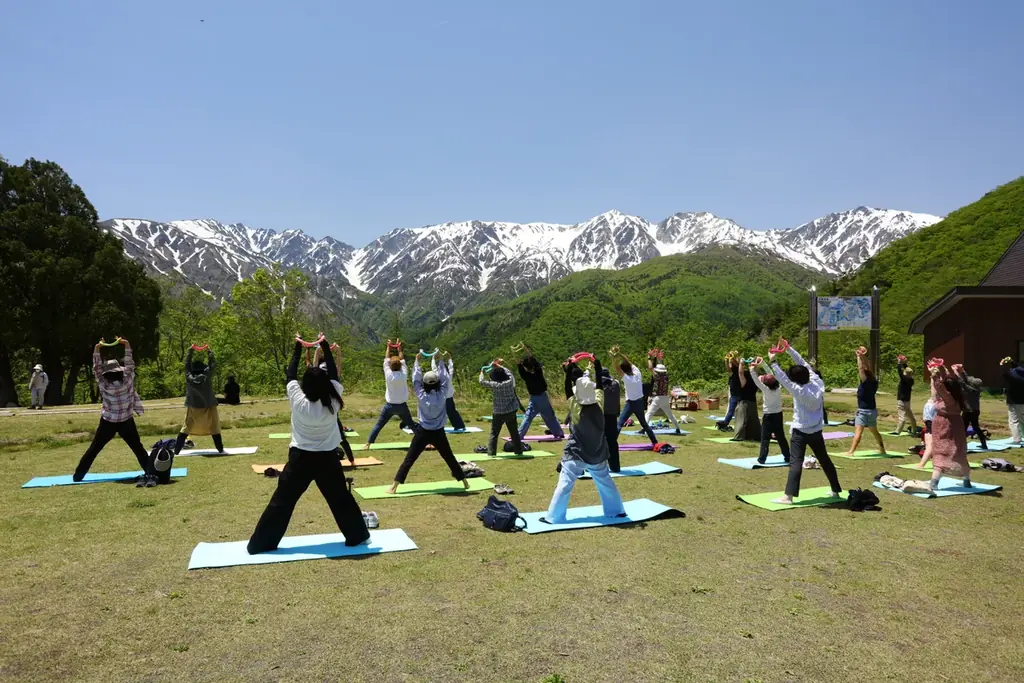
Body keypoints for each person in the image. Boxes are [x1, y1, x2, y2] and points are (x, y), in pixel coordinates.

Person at [247, 336, 369, 554]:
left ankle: (261, 543)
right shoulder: (333, 401)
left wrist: (297, 347)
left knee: (282, 502)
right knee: (340, 499)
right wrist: (324, 346)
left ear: (306, 385)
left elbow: (290, 374)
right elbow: (333, 372)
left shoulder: (298, 400)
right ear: (325, 384)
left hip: (300, 459)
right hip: (327, 459)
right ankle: (357, 535)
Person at [540, 356, 626, 525]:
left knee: (565, 484)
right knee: (605, 482)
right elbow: (600, 386)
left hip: (577, 452)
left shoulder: (575, 406)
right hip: (598, 451)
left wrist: (570, 368)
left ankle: (554, 517)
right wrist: (598, 367)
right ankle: (617, 511)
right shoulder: (599, 404)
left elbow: (567, 389)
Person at [766, 340, 842, 505]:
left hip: (801, 431)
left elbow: (782, 378)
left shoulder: (798, 390)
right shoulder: (817, 382)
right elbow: (803, 364)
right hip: (816, 431)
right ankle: (835, 490)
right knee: (825, 460)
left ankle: (788, 497)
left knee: (796, 463)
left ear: (796, 380)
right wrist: (789, 349)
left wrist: (772, 360)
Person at [73, 338, 154, 484]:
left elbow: (96, 367)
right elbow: (130, 364)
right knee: (138, 448)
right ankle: (151, 472)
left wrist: (97, 348)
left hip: (108, 421)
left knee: (95, 448)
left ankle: (78, 476)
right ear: (119, 371)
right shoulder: (128, 379)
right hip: (126, 421)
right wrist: (127, 345)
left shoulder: (103, 383)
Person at [386, 353, 469, 494]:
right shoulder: (443, 394)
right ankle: (465, 482)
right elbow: (445, 378)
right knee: (449, 457)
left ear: (425, 384)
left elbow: (415, 379)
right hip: (439, 432)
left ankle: (394, 487)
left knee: (409, 459)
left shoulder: (421, 394)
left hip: (422, 432)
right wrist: (441, 360)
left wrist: (417, 362)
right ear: (437, 383)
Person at [925, 361, 971, 493]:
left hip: (945, 427)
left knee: (941, 452)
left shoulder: (949, 398)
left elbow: (939, 386)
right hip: (954, 425)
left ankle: (934, 483)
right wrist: (940, 367)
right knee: (958, 451)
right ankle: (966, 480)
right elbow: (949, 380)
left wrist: (933, 373)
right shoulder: (956, 394)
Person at [174, 346, 224, 454]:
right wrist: (209, 352)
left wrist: (190, 351)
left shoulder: (189, 376)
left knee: (186, 427)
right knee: (214, 427)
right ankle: (220, 449)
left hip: (193, 406)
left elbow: (186, 365)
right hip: (209, 405)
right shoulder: (207, 375)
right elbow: (212, 365)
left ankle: (176, 450)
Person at [365, 340, 414, 448]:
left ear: (390, 366)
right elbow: (401, 359)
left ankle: (368, 443)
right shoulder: (404, 374)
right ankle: (425, 441)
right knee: (411, 425)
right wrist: (399, 348)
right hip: (402, 405)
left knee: (379, 425)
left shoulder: (388, 375)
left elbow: (387, 359)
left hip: (390, 405)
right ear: (400, 366)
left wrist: (388, 346)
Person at [313, 344, 355, 465]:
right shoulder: (318, 378)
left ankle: (351, 460)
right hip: (321, 411)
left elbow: (338, 366)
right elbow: (315, 366)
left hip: (331, 412)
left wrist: (338, 352)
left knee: (341, 437)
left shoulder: (334, 382)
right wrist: (317, 351)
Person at [610, 348, 658, 445]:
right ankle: (655, 442)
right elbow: (627, 362)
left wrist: (614, 358)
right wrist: (619, 354)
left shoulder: (626, 378)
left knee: (619, 423)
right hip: (640, 402)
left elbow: (617, 368)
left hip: (631, 403)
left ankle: (611, 443)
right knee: (644, 424)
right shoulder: (637, 373)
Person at [515, 346, 564, 440]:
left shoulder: (526, 375)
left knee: (528, 416)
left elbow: (518, 364)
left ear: (525, 367)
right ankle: (558, 433)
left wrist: (516, 356)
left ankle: (520, 434)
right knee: (549, 416)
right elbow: (532, 358)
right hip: (542, 396)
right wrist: (525, 348)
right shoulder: (538, 371)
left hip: (534, 398)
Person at [845, 348, 886, 456]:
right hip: (872, 411)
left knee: (858, 431)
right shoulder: (874, 381)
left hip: (863, 411)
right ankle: (882, 450)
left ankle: (851, 452)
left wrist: (858, 357)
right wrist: (863, 356)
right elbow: (867, 367)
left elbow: (861, 368)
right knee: (875, 431)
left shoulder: (865, 382)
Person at [479, 360, 524, 456]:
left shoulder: (495, 385)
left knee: (494, 433)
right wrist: (500, 366)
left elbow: (481, 381)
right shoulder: (509, 382)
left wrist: (482, 372)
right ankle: (518, 451)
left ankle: (491, 453)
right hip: (511, 411)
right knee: (514, 433)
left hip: (498, 412)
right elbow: (510, 373)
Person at [753, 359, 790, 464]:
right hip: (778, 415)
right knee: (781, 437)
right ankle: (788, 456)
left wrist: (752, 369)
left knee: (765, 438)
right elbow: (771, 374)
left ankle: (762, 459)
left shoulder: (765, 389)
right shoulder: (778, 387)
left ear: (765, 383)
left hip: (768, 416)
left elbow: (756, 380)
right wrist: (763, 363)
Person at [644, 353, 683, 434]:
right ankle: (677, 428)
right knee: (670, 415)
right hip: (665, 398)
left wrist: (649, 358)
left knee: (648, 414)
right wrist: (660, 359)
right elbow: (661, 367)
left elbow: (650, 367)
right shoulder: (666, 377)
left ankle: (644, 429)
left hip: (657, 398)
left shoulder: (657, 376)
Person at [953, 363, 987, 450]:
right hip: (974, 410)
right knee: (974, 427)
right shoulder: (976, 388)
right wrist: (962, 370)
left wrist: (956, 372)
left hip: (969, 411)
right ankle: (983, 444)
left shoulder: (971, 390)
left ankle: (961, 445)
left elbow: (963, 383)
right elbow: (967, 379)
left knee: (965, 428)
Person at [431, 351, 467, 431]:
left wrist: (433, 358)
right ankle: (460, 426)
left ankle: (437, 427)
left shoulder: (437, 375)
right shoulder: (449, 375)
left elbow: (433, 367)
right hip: (448, 397)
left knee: (438, 413)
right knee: (452, 412)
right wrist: (449, 357)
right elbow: (451, 367)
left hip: (440, 397)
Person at [729, 358, 761, 442]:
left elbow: (740, 373)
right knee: (753, 421)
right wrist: (756, 364)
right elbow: (756, 372)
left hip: (744, 403)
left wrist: (741, 363)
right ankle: (755, 436)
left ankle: (739, 436)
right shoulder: (755, 381)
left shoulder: (745, 383)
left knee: (741, 420)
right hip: (753, 403)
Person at [600, 366, 622, 472]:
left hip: (600, 416)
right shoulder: (616, 383)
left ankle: (599, 466)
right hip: (613, 415)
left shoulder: (598, 385)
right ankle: (615, 466)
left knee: (599, 441)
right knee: (612, 442)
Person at [1001, 357, 1024, 444]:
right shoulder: (1021, 377)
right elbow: (1016, 369)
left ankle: (1017, 439)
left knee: (1013, 421)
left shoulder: (1013, 379)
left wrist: (1002, 365)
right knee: (1022, 420)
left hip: (1013, 401)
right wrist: (1012, 362)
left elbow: (1005, 374)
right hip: (1022, 401)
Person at [892, 355, 917, 435]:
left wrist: (899, 363)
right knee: (910, 416)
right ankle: (914, 430)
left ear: (905, 373)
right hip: (907, 401)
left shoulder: (904, 379)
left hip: (901, 400)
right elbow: (907, 370)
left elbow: (899, 371)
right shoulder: (911, 380)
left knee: (902, 417)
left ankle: (897, 431)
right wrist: (904, 363)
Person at [717, 353, 741, 431]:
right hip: (737, 394)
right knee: (732, 410)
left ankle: (725, 423)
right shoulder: (737, 372)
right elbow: (731, 367)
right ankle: (725, 423)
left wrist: (729, 360)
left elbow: (735, 365)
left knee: (732, 410)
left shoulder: (737, 372)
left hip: (737, 394)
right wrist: (727, 360)